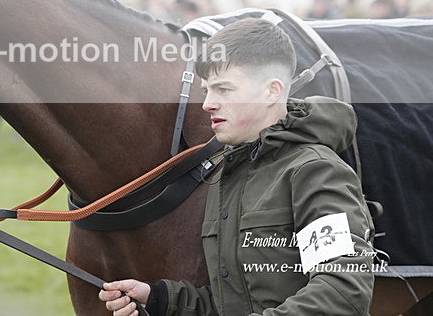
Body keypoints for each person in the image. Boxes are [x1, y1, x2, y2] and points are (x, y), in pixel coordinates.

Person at [100, 18, 375, 315]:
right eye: (206, 90)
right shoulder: (225, 177)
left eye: (224, 90)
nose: (207, 104)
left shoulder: (314, 171)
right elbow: (230, 303)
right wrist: (159, 300)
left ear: (272, 91)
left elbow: (344, 290)